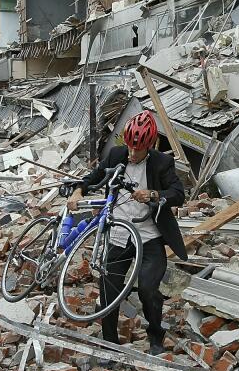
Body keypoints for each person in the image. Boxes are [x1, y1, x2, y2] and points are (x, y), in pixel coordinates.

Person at [69, 111, 186, 355]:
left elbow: (178, 193)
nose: (133, 154)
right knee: (108, 290)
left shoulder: (161, 163)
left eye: (139, 150)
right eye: (130, 148)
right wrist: (79, 190)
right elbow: (95, 177)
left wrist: (154, 194)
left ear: (150, 145)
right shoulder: (115, 155)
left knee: (147, 288)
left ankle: (155, 337)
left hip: (149, 236)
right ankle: (110, 344)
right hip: (119, 235)